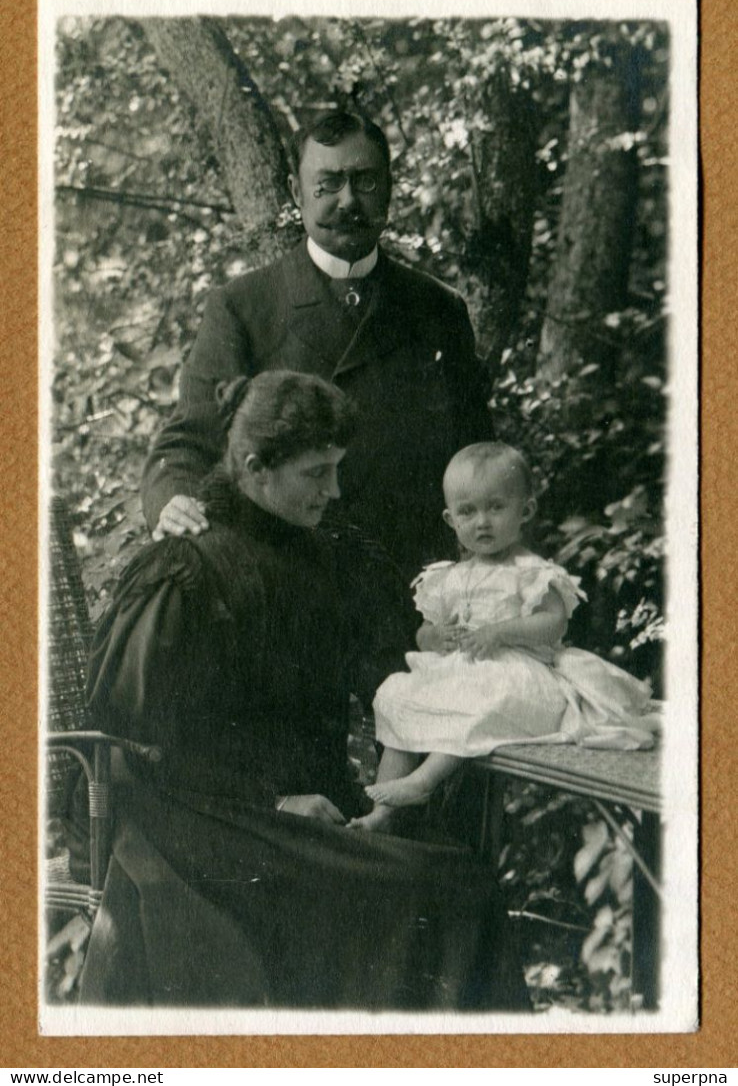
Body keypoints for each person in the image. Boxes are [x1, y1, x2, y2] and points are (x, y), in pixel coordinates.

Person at [72, 373, 529, 1010]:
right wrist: (278, 800)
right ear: (256, 467)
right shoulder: (184, 571)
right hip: (193, 822)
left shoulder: (326, 558)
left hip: (310, 804)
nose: (334, 490)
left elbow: (390, 668)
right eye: (317, 473)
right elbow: (133, 748)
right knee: (444, 891)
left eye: (337, 470)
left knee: (455, 874)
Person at [141, 110, 492, 580]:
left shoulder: (437, 310)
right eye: (327, 184)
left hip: (418, 582)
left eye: (365, 182)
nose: (348, 201)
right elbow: (188, 441)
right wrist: (174, 502)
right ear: (295, 192)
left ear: (389, 188)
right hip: (293, 588)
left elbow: (480, 457)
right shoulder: (244, 307)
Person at [354, 442, 660, 834]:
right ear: (451, 519)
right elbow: (423, 631)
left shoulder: (530, 571)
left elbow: (553, 624)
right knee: (399, 694)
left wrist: (501, 631)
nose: (482, 522)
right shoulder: (448, 576)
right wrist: (434, 637)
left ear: (525, 511)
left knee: (482, 699)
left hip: (519, 673)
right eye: (468, 511)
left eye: (496, 507)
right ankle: (381, 814)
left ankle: (423, 782)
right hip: (461, 671)